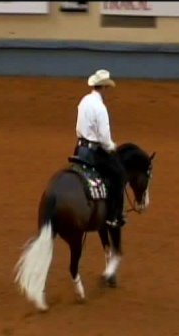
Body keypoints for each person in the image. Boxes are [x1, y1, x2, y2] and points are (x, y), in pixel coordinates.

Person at [73, 69, 126, 228]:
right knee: (119, 174)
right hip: (93, 152)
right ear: (104, 88)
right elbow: (104, 138)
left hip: (79, 149)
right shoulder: (100, 108)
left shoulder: (83, 101)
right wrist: (112, 147)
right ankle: (113, 216)